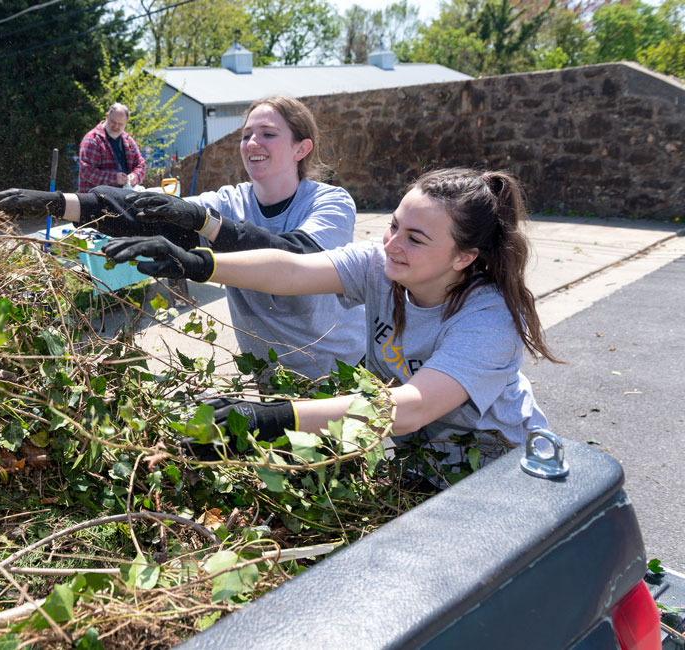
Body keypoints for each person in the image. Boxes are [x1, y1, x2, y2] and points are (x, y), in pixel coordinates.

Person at [101, 168, 560, 471]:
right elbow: (290, 270)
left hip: (501, 469)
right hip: (421, 464)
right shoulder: (382, 266)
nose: (392, 242)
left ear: (465, 256)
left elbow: (412, 406)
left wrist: (273, 417)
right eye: (394, 224)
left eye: (415, 238)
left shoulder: (488, 320)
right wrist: (198, 264)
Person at [0, 95, 366, 381]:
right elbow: (142, 209)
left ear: (301, 148)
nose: (252, 142)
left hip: (338, 373)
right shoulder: (230, 200)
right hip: (270, 377)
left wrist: (207, 228)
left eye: (268, 134)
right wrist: (60, 203)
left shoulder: (329, 202)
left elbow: (296, 259)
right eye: (247, 133)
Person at [77, 103, 147, 192]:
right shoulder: (92, 140)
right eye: (113, 122)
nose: (116, 126)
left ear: (126, 122)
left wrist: (135, 176)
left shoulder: (128, 140)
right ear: (107, 116)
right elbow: (87, 171)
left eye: (120, 123)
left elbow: (141, 165)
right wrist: (114, 179)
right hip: (95, 199)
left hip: (123, 198)